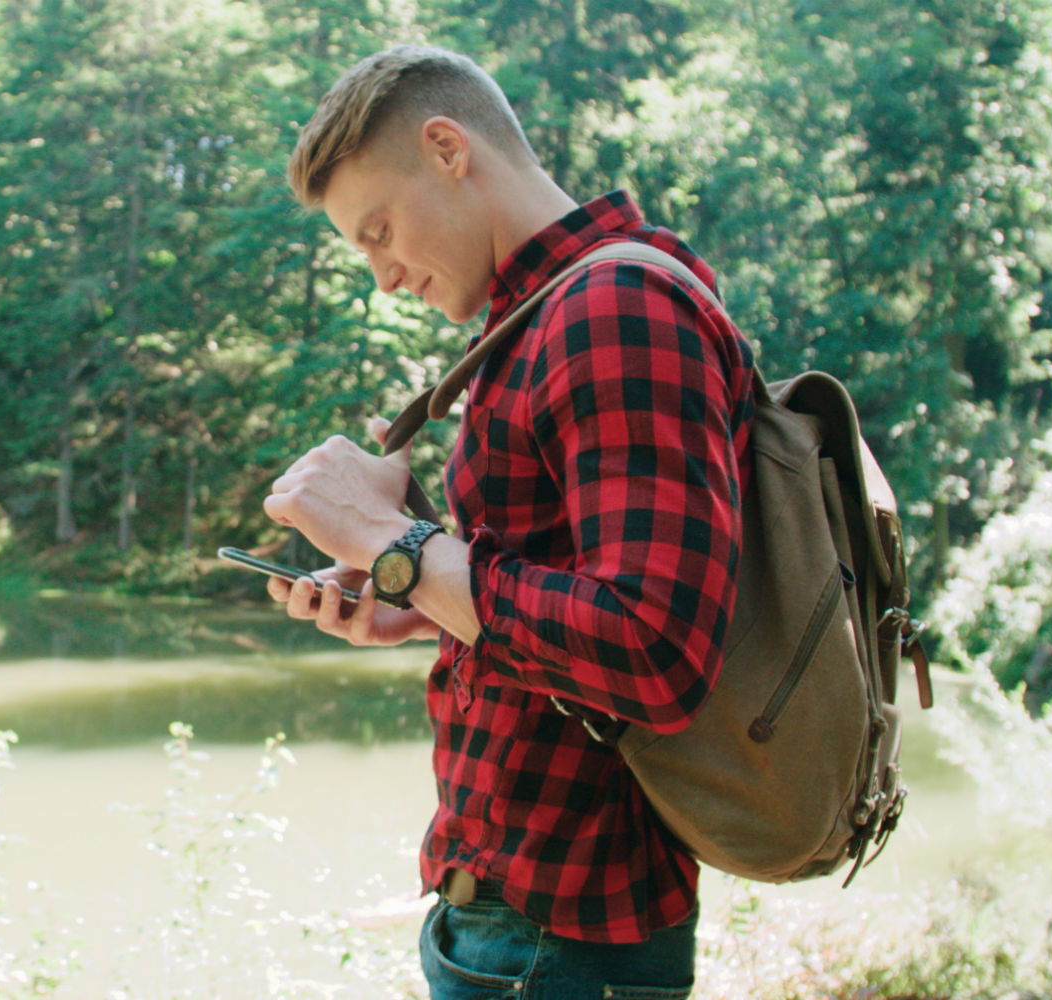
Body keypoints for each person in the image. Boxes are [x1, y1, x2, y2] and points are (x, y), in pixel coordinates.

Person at [260, 44, 758, 999]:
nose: (383, 278)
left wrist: (389, 540)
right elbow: (561, 611)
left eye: (379, 231)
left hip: (559, 941)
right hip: (520, 929)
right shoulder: (543, 317)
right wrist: (412, 599)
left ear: (448, 148)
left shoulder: (616, 307)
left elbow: (656, 649)